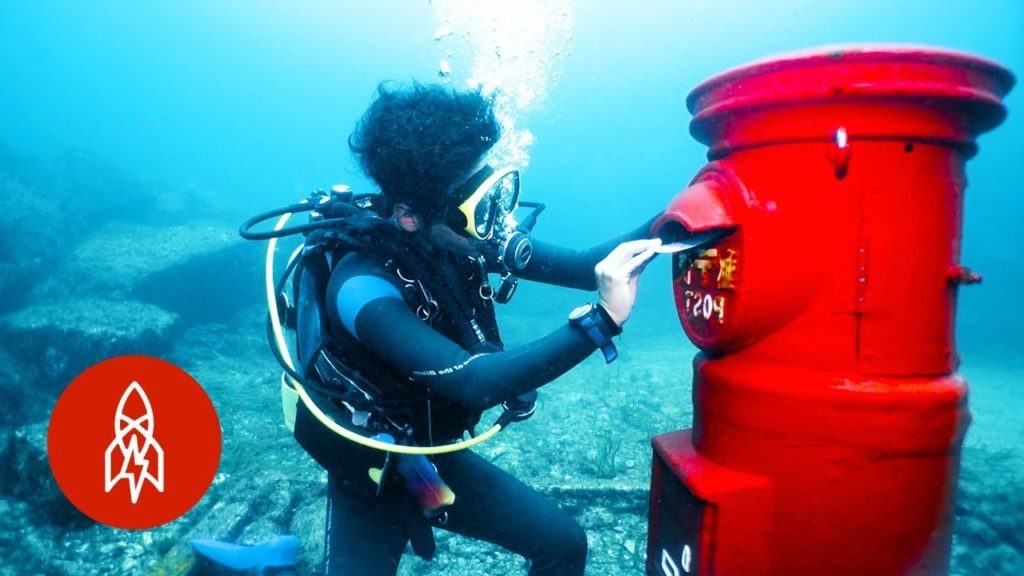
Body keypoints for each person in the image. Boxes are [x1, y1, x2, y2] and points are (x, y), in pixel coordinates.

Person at [284, 83, 661, 576]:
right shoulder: (360, 287)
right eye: (482, 203)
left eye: (498, 189)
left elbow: (587, 265)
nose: (499, 220)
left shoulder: (458, 233)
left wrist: (685, 215)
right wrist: (601, 322)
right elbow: (474, 381)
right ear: (409, 215)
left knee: (564, 545)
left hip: (435, 453)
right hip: (374, 466)